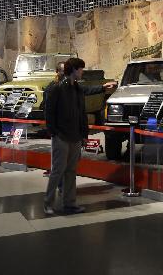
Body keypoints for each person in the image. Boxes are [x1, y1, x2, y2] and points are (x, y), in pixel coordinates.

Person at [43, 58, 117, 215]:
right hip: (61, 136)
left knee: (71, 171)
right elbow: (49, 113)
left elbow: (82, 110)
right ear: (74, 70)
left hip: (75, 137)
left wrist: (83, 134)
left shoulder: (76, 88)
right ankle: (48, 203)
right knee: (57, 171)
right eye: (81, 69)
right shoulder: (56, 89)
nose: (82, 72)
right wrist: (54, 132)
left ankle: (69, 203)